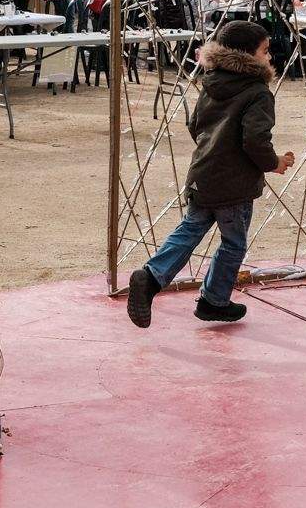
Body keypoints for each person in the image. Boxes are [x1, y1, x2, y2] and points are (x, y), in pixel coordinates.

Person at [126, 19, 295, 328]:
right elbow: (255, 140)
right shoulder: (257, 92)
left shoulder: (212, 81)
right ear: (247, 55)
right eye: (265, 51)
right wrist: (274, 162)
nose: (269, 58)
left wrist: (214, 151)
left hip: (203, 173)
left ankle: (150, 277)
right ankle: (214, 300)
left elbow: (195, 126)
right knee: (233, 243)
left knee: (190, 229)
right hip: (234, 184)